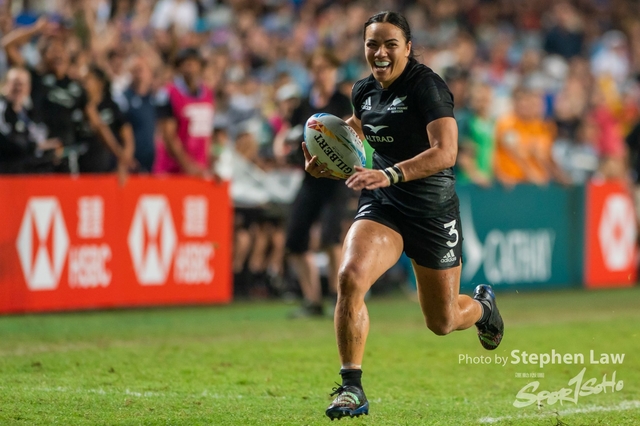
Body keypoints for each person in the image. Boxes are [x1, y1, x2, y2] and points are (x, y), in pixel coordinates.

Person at [301, 12, 504, 420]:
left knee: (442, 321)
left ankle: (483, 308)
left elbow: (446, 152)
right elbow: (359, 127)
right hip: (384, 203)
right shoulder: (363, 90)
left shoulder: (427, 87)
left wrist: (389, 172)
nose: (380, 52)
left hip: (432, 211)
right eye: (372, 44)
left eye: (390, 44)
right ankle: (351, 387)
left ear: (408, 48)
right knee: (350, 277)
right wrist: (327, 154)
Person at [281, 48, 353, 318]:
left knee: (330, 237)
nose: (320, 74)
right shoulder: (303, 105)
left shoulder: (342, 102)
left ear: (334, 71)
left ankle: (339, 299)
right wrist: (284, 148)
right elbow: (288, 135)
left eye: (324, 68)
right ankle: (312, 300)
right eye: (316, 68)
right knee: (295, 238)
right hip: (310, 178)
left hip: (336, 180)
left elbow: (349, 139)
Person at [154, 47, 215, 178]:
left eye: (194, 62)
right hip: (173, 170)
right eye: (186, 63)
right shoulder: (168, 94)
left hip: (200, 168)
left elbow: (208, 134)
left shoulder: (208, 94)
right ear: (179, 67)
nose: (190, 67)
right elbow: (168, 136)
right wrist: (188, 166)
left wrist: (211, 165)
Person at [0, 66, 60, 173]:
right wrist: (36, 146)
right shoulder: (2, 110)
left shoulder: (31, 112)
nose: (19, 88)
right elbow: (7, 140)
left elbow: (41, 134)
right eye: (15, 83)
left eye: (23, 84)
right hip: (6, 173)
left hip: (29, 172)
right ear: (4, 85)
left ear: (29, 88)